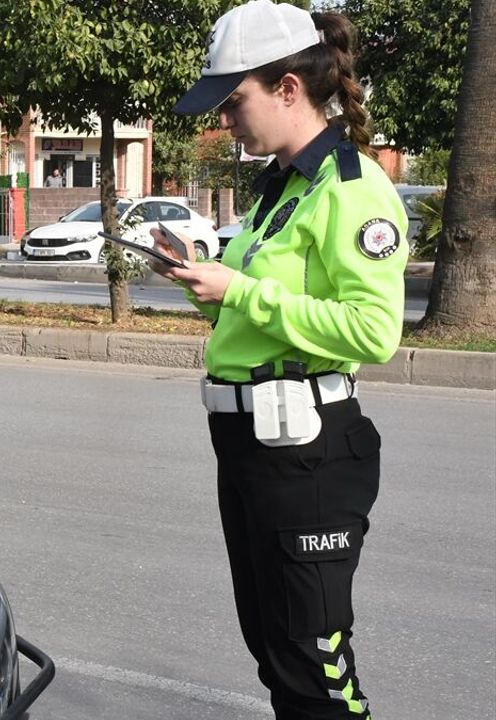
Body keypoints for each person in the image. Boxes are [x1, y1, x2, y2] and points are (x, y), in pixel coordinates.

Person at [151, 2, 407, 718]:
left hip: (307, 453)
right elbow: (258, 317)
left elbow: (373, 331)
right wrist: (204, 279)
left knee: (314, 669)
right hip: (249, 445)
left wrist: (241, 290)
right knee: (273, 651)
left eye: (234, 101)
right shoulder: (280, 186)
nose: (225, 120)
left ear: (289, 88)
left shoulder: (351, 188)